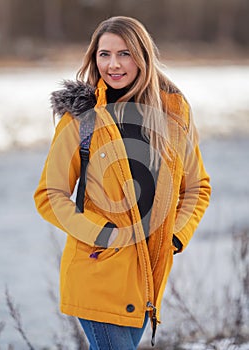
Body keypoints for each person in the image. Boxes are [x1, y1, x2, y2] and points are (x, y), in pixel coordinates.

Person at [34, 16, 211, 350]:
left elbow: (197, 187)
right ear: (93, 58)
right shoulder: (81, 119)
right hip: (97, 274)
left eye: (124, 53)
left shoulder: (174, 113)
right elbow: (49, 194)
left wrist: (174, 235)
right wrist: (103, 235)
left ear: (142, 56)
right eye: (104, 54)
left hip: (147, 281)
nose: (113, 64)